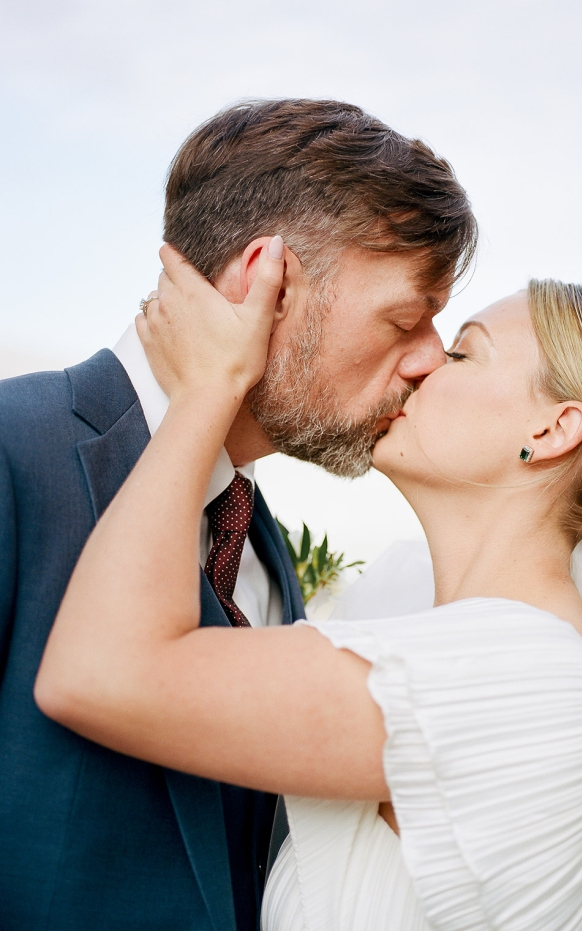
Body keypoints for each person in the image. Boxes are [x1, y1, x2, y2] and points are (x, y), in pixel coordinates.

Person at [36, 242, 582, 929]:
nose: (422, 364)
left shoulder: (518, 674)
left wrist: (206, 387)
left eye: (464, 353)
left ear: (553, 427)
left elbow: (98, 672)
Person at [0, 98, 474, 931]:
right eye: (406, 317)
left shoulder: (259, 538)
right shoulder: (13, 453)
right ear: (264, 281)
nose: (433, 356)